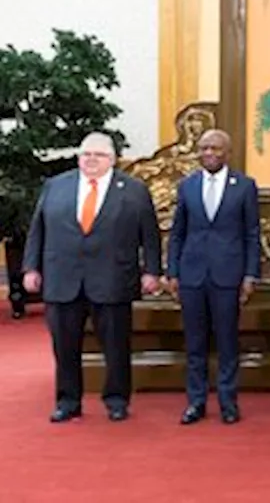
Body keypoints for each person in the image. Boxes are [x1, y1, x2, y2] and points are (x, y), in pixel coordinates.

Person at [21, 132, 161, 423]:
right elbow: (38, 229)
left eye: (99, 155)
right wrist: (31, 268)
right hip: (62, 278)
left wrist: (151, 271)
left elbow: (149, 235)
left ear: (112, 159)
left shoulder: (134, 190)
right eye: (86, 154)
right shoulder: (56, 186)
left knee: (116, 345)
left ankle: (116, 399)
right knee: (64, 345)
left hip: (113, 278)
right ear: (78, 157)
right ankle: (68, 401)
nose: (91, 160)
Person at [165, 129, 261, 425]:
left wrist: (249, 275)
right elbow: (178, 232)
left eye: (215, 148)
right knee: (194, 343)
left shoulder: (244, 186)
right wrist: (172, 271)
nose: (208, 153)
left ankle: (228, 402)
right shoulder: (187, 186)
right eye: (204, 148)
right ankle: (195, 402)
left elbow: (251, 234)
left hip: (227, 275)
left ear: (227, 152)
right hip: (192, 275)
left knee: (227, 341)